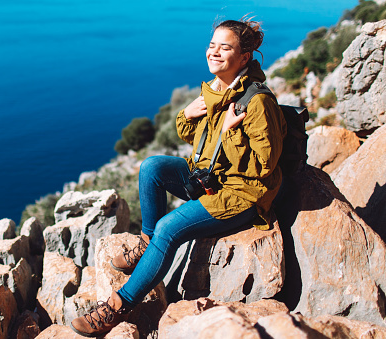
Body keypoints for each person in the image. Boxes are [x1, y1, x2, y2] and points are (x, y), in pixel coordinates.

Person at [70, 17, 287, 337]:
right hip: (210, 176)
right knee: (151, 167)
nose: (214, 52)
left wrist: (228, 131)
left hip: (242, 193)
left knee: (168, 228)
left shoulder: (257, 102)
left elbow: (263, 166)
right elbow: (194, 139)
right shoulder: (218, 89)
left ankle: (120, 304)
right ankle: (147, 244)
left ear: (244, 58)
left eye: (224, 48)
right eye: (211, 45)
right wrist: (187, 114)